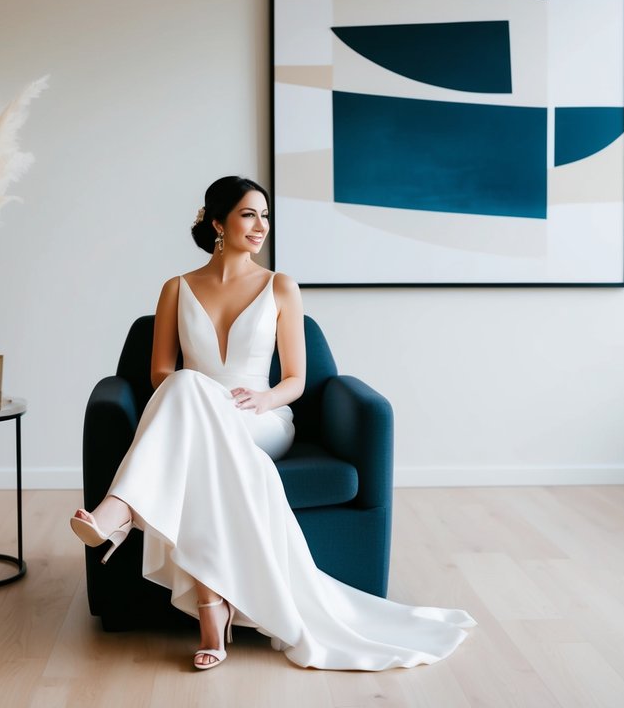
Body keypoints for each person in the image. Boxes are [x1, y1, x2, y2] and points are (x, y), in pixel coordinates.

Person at [71, 176, 476, 671]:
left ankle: (120, 513)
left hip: (261, 418)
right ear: (218, 222)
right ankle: (211, 615)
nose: (261, 225)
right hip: (199, 411)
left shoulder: (279, 285)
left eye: (264, 215)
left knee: (189, 401)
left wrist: (261, 399)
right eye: (248, 214)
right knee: (186, 394)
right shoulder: (176, 288)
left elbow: (296, 379)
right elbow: (160, 371)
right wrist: (208, 394)